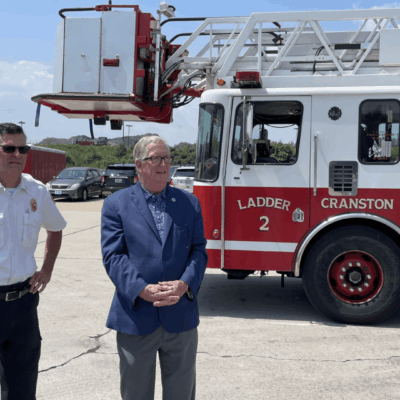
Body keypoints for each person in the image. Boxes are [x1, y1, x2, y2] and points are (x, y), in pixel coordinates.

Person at [101, 135, 208, 400]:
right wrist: (140, 289)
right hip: (136, 316)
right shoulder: (116, 204)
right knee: (135, 393)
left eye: (167, 157)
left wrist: (185, 284)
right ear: (139, 165)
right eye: (156, 158)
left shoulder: (189, 203)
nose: (164, 163)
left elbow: (199, 251)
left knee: (181, 394)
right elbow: (114, 256)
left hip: (180, 314)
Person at [0, 123, 67, 400]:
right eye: (8, 148)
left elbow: (55, 228)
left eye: (22, 148)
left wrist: (47, 270)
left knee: (23, 389)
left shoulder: (37, 191)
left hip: (24, 303)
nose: (17, 154)